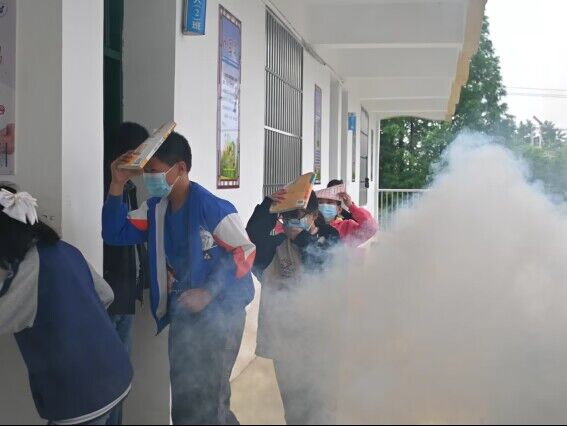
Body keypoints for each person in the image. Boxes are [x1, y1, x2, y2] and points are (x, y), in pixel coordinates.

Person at [102, 132, 256, 425]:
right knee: (184, 402)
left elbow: (244, 252)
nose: (149, 178)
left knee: (210, 404)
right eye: (147, 172)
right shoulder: (155, 210)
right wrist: (117, 184)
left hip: (221, 316)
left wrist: (208, 292)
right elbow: (113, 232)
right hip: (184, 315)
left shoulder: (213, 208)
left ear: (181, 168)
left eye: (155, 171)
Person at [0, 187, 133, 425]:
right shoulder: (64, 250)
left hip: (81, 395)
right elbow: (106, 294)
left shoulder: (29, 272)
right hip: (115, 373)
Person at [246, 187, 340, 425]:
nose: (291, 220)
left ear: (313, 215)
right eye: (286, 215)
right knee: (295, 408)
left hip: (320, 341)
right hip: (285, 342)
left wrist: (301, 239)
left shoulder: (330, 239)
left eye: (297, 214)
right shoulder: (275, 246)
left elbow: (324, 270)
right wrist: (268, 206)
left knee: (320, 406)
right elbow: (252, 236)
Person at [103, 122, 151, 426]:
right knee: (107, 382)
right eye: (141, 153)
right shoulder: (111, 187)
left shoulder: (130, 187)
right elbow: (112, 236)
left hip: (126, 296)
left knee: (121, 379)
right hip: (109, 298)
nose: (145, 162)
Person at [317, 179, 378, 246]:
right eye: (320, 203)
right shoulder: (311, 226)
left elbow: (371, 227)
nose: (324, 206)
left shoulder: (347, 227)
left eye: (329, 203)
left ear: (339, 209)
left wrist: (351, 206)